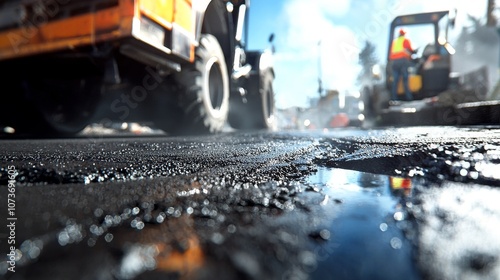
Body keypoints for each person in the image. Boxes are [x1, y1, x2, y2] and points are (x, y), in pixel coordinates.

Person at [389, 28, 415, 102]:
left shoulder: (395, 42)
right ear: (403, 34)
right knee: (405, 79)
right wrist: (413, 52)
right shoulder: (405, 40)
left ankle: (394, 98)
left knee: (395, 80)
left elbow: (391, 53)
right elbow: (410, 49)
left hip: (394, 62)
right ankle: (409, 98)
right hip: (402, 61)